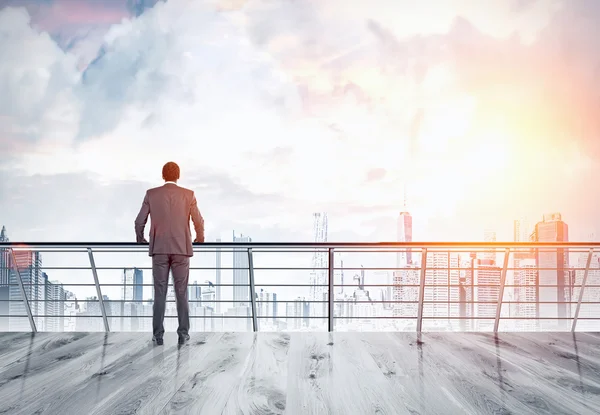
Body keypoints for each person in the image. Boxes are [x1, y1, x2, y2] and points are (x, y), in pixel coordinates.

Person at [134, 162, 204, 345]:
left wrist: (140, 238)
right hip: (182, 249)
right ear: (178, 175)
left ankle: (158, 336)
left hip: (159, 249)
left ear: (163, 175)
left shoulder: (151, 194)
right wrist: (200, 237)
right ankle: (183, 334)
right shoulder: (188, 195)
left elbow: (139, 220)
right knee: (181, 292)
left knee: (160, 293)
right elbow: (198, 220)